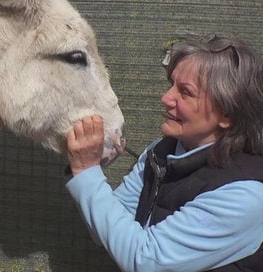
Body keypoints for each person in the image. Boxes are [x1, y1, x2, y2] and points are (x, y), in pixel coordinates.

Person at [65, 34, 263, 272]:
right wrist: (83, 166)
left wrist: (86, 170)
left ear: (227, 115)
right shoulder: (160, 151)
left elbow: (146, 260)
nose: (166, 98)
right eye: (171, 85)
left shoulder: (245, 195)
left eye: (186, 92)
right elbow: (106, 229)